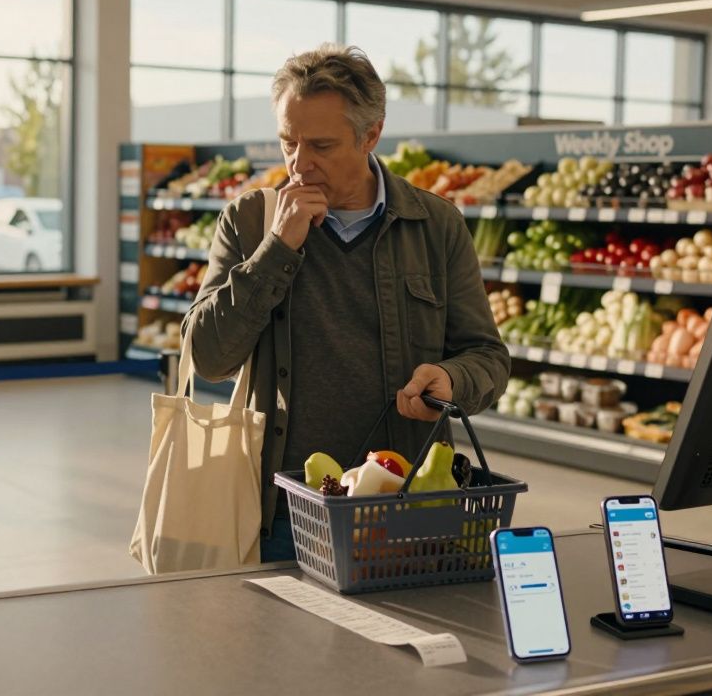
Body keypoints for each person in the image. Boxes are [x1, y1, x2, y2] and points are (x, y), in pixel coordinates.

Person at [181, 44, 510, 563]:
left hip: (406, 508)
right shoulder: (248, 221)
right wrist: (276, 250)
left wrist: (453, 382)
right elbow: (207, 357)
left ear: (371, 134)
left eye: (321, 145)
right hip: (283, 510)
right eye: (288, 141)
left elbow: (488, 358)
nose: (298, 163)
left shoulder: (437, 225)